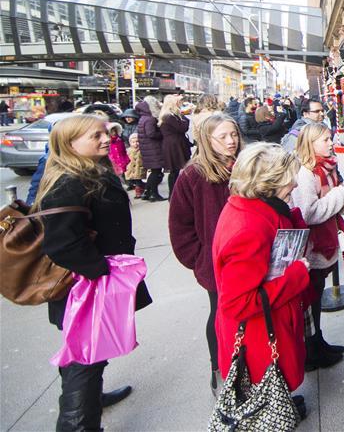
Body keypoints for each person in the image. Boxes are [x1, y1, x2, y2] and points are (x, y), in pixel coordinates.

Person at [33, 114, 152, 431]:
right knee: (84, 359)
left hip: (92, 284)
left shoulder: (88, 173)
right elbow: (62, 245)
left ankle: (91, 400)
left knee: (90, 353)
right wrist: (101, 271)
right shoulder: (68, 183)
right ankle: (78, 423)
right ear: (70, 145)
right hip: (84, 288)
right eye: (95, 135)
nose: (105, 138)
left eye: (104, 132)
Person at [213, 143, 311, 418]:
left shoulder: (251, 208)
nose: (294, 183)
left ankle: (279, 404)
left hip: (264, 326)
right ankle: (274, 413)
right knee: (262, 394)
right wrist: (297, 276)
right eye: (289, 177)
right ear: (271, 182)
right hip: (257, 334)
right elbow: (238, 302)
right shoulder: (249, 229)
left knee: (268, 388)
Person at [168, 113, 242, 396]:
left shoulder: (245, 165)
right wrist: (200, 259)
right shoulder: (193, 175)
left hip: (250, 257)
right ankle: (221, 371)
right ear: (206, 141)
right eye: (222, 137)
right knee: (220, 316)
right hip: (217, 264)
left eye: (233, 134)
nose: (231, 141)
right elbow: (180, 226)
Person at [291, 123, 344, 370]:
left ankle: (318, 342)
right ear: (311, 143)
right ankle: (312, 351)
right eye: (325, 140)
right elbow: (309, 213)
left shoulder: (327, 166)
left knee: (315, 298)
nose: (330, 142)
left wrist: (340, 201)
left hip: (323, 244)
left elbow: (334, 197)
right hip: (312, 247)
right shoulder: (306, 173)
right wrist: (339, 197)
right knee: (311, 299)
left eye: (330, 138)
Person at [159, 94, 191, 196]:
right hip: (174, 146)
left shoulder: (168, 115)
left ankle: (174, 193)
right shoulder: (169, 116)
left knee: (175, 170)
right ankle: (173, 193)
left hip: (174, 144)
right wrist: (184, 117)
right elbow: (182, 127)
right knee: (174, 170)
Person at [136, 96, 166, 202]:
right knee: (156, 172)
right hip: (153, 149)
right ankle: (154, 193)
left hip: (147, 148)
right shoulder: (150, 119)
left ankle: (147, 192)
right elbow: (151, 133)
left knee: (154, 171)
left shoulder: (143, 117)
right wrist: (162, 133)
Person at [125, 133, 146, 197]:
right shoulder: (128, 150)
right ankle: (143, 187)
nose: (135, 143)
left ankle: (138, 192)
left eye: (137, 141)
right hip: (131, 168)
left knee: (138, 181)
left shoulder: (142, 150)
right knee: (133, 181)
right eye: (133, 142)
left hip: (139, 167)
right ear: (130, 143)